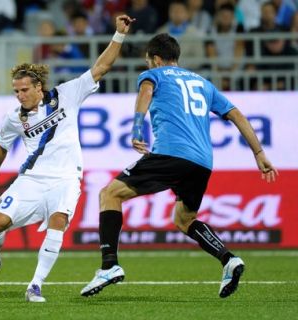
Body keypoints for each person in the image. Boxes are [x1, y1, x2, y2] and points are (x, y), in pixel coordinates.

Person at [81, 33, 278, 299]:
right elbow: (236, 114)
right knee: (184, 219)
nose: (148, 66)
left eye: (149, 61)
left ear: (157, 59)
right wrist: (259, 153)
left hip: (171, 154)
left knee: (109, 194)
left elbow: (146, 90)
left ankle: (109, 266)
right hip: (202, 163)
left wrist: (137, 128)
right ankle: (228, 260)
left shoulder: (156, 74)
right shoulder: (203, 83)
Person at [0, 14, 134, 303]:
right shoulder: (14, 118)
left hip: (65, 178)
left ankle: (35, 285)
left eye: (24, 90)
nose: (20, 95)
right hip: (32, 179)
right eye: (16, 91)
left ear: (39, 87)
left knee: (57, 222)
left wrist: (119, 35)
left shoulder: (67, 95)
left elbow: (101, 67)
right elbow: (2, 146)